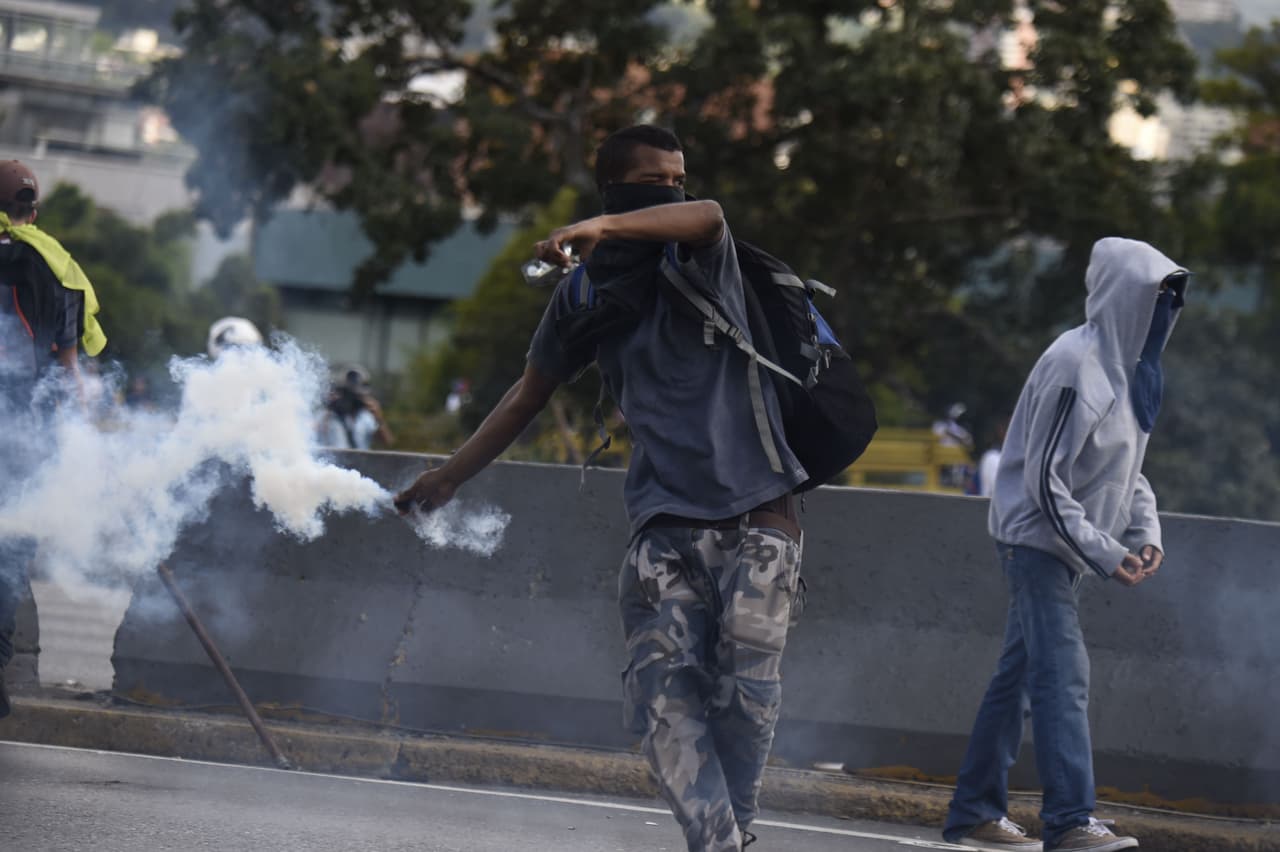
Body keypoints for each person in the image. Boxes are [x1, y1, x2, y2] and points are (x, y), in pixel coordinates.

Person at [396, 124, 806, 852]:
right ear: (615, 183)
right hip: (663, 523)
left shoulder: (702, 258)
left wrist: (606, 223)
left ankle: (737, 827)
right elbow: (526, 396)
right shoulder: (583, 296)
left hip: (759, 511)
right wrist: (449, 476)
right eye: (654, 182)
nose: (672, 192)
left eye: (677, 178)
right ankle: (721, 842)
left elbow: (708, 212)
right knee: (660, 701)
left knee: (745, 687)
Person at [942, 238, 1188, 852]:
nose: (1161, 310)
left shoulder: (1134, 374)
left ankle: (973, 811)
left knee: (1019, 677)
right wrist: (1106, 552)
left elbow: (1129, 473)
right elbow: (1044, 483)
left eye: (1168, 299)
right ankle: (1070, 821)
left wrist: (1145, 532)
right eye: (1152, 295)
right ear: (1120, 296)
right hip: (1036, 542)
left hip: (1072, 544)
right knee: (1064, 674)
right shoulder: (1075, 364)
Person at [0, 159, 107, 717]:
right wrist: (83, 431)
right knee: (8, 552)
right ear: (32, 208)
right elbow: (70, 363)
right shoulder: (58, 265)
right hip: (22, 437)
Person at [317, 366, 393, 450]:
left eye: (357, 396)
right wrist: (330, 408)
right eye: (348, 395)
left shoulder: (366, 418)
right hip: (336, 461)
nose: (352, 400)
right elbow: (315, 432)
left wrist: (378, 418)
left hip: (360, 461)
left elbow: (387, 442)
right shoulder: (330, 416)